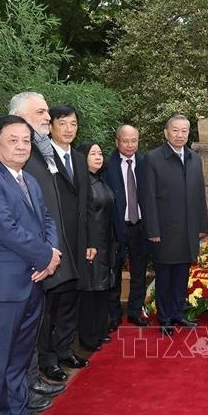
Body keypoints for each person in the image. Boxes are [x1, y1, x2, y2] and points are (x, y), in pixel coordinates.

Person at [0, 115, 60, 415]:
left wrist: (51, 255)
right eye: (13, 140)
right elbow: (4, 229)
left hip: (34, 282)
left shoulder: (30, 180)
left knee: (20, 357)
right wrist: (45, 257)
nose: (22, 146)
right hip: (5, 289)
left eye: (26, 140)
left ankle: (18, 411)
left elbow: (48, 222)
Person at [8, 93, 69, 398]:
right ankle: (23, 391)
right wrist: (43, 254)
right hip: (22, 266)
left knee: (32, 330)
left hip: (42, 259)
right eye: (41, 112)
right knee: (19, 337)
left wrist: (52, 251)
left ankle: (31, 381)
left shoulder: (40, 153)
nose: (48, 117)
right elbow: (12, 222)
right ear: (19, 116)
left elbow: (46, 212)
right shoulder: (13, 160)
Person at [34, 104, 95, 380]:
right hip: (55, 243)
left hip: (78, 241)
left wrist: (90, 240)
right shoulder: (41, 160)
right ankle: (47, 360)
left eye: (73, 124)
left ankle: (65, 350)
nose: (69, 129)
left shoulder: (80, 158)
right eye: (62, 124)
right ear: (51, 127)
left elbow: (88, 203)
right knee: (51, 305)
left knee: (71, 299)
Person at [141, 115, 208, 335]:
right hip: (164, 230)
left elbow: (200, 195)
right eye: (175, 131)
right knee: (165, 276)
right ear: (166, 133)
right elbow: (148, 197)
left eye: (184, 131)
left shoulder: (194, 159)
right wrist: (153, 229)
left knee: (182, 274)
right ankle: (164, 318)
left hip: (188, 229)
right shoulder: (153, 158)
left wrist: (202, 225)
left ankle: (178, 313)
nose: (180, 135)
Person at [101, 125, 150, 330]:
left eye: (134, 140)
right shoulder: (106, 165)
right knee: (115, 271)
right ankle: (113, 315)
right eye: (125, 140)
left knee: (139, 271)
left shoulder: (145, 163)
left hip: (140, 225)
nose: (130, 145)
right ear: (117, 142)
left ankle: (135, 311)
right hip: (115, 226)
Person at [77, 141, 115, 350]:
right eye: (93, 154)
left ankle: (100, 331)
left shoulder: (100, 181)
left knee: (102, 288)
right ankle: (88, 337)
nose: (98, 157)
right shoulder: (82, 184)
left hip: (106, 243)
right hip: (91, 244)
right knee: (90, 291)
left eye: (100, 153)